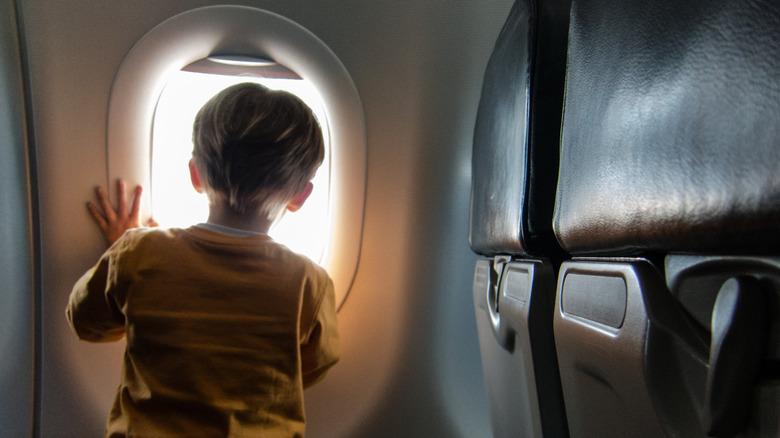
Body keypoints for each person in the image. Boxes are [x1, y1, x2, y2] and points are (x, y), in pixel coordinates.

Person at [66, 83, 339, 438]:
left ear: (196, 174)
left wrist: (118, 259)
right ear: (300, 196)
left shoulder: (137, 253)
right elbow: (315, 365)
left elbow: (84, 322)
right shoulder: (309, 282)